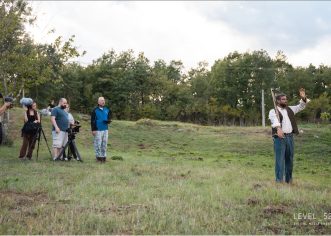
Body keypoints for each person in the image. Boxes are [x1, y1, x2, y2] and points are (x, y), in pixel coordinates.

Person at [268, 88, 310, 184]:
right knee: (280, 160)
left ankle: (289, 181)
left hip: (290, 137)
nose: (285, 101)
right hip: (279, 138)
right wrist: (278, 128)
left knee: (289, 160)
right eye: (283, 99)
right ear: (277, 101)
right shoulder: (273, 111)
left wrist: (303, 98)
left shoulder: (290, 109)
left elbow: (301, 106)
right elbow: (274, 121)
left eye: (285, 99)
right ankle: (279, 181)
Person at [91, 97, 112, 163]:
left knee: (104, 143)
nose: (103, 102)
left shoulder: (107, 110)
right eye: (102, 100)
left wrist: (108, 120)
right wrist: (93, 129)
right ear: (98, 102)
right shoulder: (95, 110)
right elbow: (92, 121)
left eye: (104, 100)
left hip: (105, 129)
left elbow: (109, 117)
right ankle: (98, 157)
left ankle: (103, 157)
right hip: (98, 129)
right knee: (98, 144)